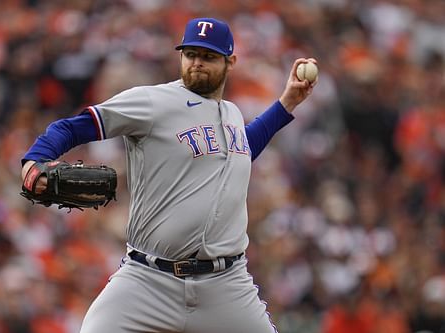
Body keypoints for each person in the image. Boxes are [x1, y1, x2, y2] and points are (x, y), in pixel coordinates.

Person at [21, 17, 317, 333]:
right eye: (191, 54)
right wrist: (35, 159)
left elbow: (241, 149)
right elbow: (75, 126)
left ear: (230, 61)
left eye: (208, 57)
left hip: (226, 285)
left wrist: (287, 103)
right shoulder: (153, 102)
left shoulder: (231, 112)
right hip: (148, 280)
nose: (197, 63)